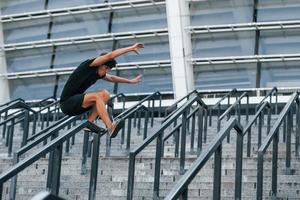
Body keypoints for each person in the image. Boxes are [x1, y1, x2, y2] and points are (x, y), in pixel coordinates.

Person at [60, 43, 144, 137]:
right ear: (100, 64)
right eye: (106, 68)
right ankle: (110, 127)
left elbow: (112, 78)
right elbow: (110, 56)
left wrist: (131, 81)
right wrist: (131, 48)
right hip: (67, 103)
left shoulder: (98, 73)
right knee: (97, 96)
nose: (107, 71)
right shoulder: (89, 65)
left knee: (105, 94)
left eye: (109, 69)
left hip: (77, 104)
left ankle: (89, 123)